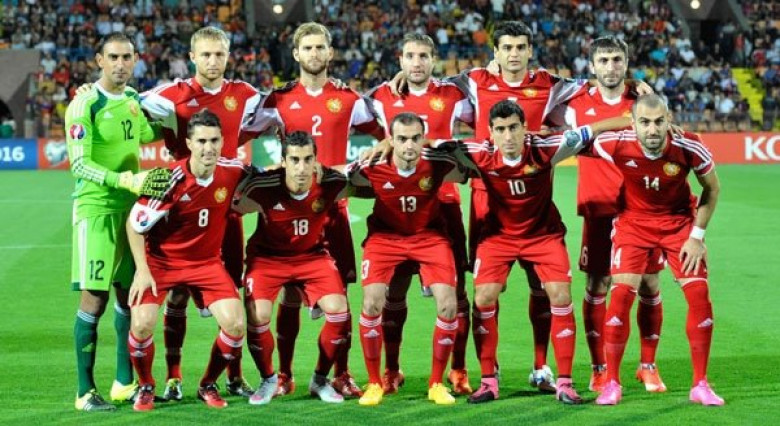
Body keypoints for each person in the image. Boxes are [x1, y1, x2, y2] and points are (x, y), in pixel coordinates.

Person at [243, 22, 384, 398]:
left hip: (333, 209)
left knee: (341, 296)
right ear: (296, 54)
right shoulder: (278, 100)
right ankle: (284, 374)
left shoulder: (349, 99)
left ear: (331, 52)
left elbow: (386, 132)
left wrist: (373, 153)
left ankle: (341, 373)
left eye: (321, 47)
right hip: (287, 211)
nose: (315, 53)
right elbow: (240, 133)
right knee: (289, 294)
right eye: (307, 48)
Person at [431, 100, 602, 405]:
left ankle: (564, 383)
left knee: (560, 295)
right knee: (484, 297)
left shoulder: (547, 147)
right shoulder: (479, 151)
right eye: (500, 129)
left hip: (543, 235)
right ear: (491, 132)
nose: (508, 136)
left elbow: (593, 129)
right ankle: (488, 381)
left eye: (513, 128)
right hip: (498, 237)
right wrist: (392, 143)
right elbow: (432, 145)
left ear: (525, 128)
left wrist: (632, 119)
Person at [140, 26, 262, 400]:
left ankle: (234, 376)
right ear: (192, 56)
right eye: (205, 54)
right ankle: (173, 378)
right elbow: (126, 100)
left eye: (219, 54)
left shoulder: (245, 94)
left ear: (228, 56)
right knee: (176, 296)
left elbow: (284, 108)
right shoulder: (172, 94)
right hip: (181, 210)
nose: (213, 61)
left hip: (226, 207)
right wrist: (89, 90)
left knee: (233, 290)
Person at [593, 94, 724, 406]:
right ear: (633, 123)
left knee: (699, 295)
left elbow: (712, 188)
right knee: (620, 296)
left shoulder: (689, 146)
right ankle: (612, 383)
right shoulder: (614, 143)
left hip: (679, 225)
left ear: (669, 121)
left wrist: (697, 236)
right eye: (644, 122)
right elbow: (579, 139)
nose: (652, 129)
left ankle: (700, 384)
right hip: (633, 224)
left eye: (658, 121)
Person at [66, 32, 170, 411]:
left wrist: (179, 114)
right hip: (96, 212)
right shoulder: (84, 104)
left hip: (131, 213)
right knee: (94, 299)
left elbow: (148, 132)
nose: (120, 64)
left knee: (130, 295)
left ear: (136, 59)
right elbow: (79, 164)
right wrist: (127, 180)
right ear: (99, 60)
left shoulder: (131, 101)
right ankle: (84, 392)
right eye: (113, 57)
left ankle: (124, 383)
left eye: (127, 57)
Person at [366, 32, 475, 395]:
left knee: (457, 294)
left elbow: (489, 108)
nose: (417, 62)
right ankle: (391, 369)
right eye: (410, 55)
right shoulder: (381, 97)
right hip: (395, 208)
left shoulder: (453, 95)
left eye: (424, 55)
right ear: (400, 60)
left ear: (433, 59)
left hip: (444, 205)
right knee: (394, 292)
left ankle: (458, 369)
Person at [125, 109, 249, 411]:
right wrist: (142, 270)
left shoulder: (233, 171)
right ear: (190, 144)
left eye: (214, 140)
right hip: (162, 263)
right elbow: (135, 223)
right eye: (202, 141)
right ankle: (146, 385)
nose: (209, 148)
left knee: (235, 325)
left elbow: (270, 178)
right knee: (141, 325)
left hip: (206, 263)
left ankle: (208, 384)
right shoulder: (170, 180)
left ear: (222, 142)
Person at [563, 36, 666, 393]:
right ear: (592, 66)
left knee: (649, 283)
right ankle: (599, 368)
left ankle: (647, 365)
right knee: (598, 285)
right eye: (603, 60)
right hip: (598, 207)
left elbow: (663, 140)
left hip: (641, 208)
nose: (610, 66)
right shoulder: (575, 106)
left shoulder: (641, 103)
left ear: (626, 62)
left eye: (617, 59)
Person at [349, 113, 466, 406]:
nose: (409, 145)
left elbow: (471, 164)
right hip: (385, 238)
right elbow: (339, 176)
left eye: (415, 138)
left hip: (429, 237)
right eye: (402, 139)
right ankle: (375, 382)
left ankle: (436, 383)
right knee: (372, 303)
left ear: (423, 138)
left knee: (449, 305)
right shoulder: (372, 164)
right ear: (391, 140)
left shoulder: (438, 162)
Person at [233, 131, 351, 405]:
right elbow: (230, 203)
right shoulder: (264, 186)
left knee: (339, 311)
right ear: (283, 161)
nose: (301, 167)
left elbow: (365, 182)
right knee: (258, 314)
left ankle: (320, 380)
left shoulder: (330, 181)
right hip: (268, 258)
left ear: (316, 161)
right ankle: (268, 379)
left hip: (312, 257)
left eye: (308, 159)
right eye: (295, 160)